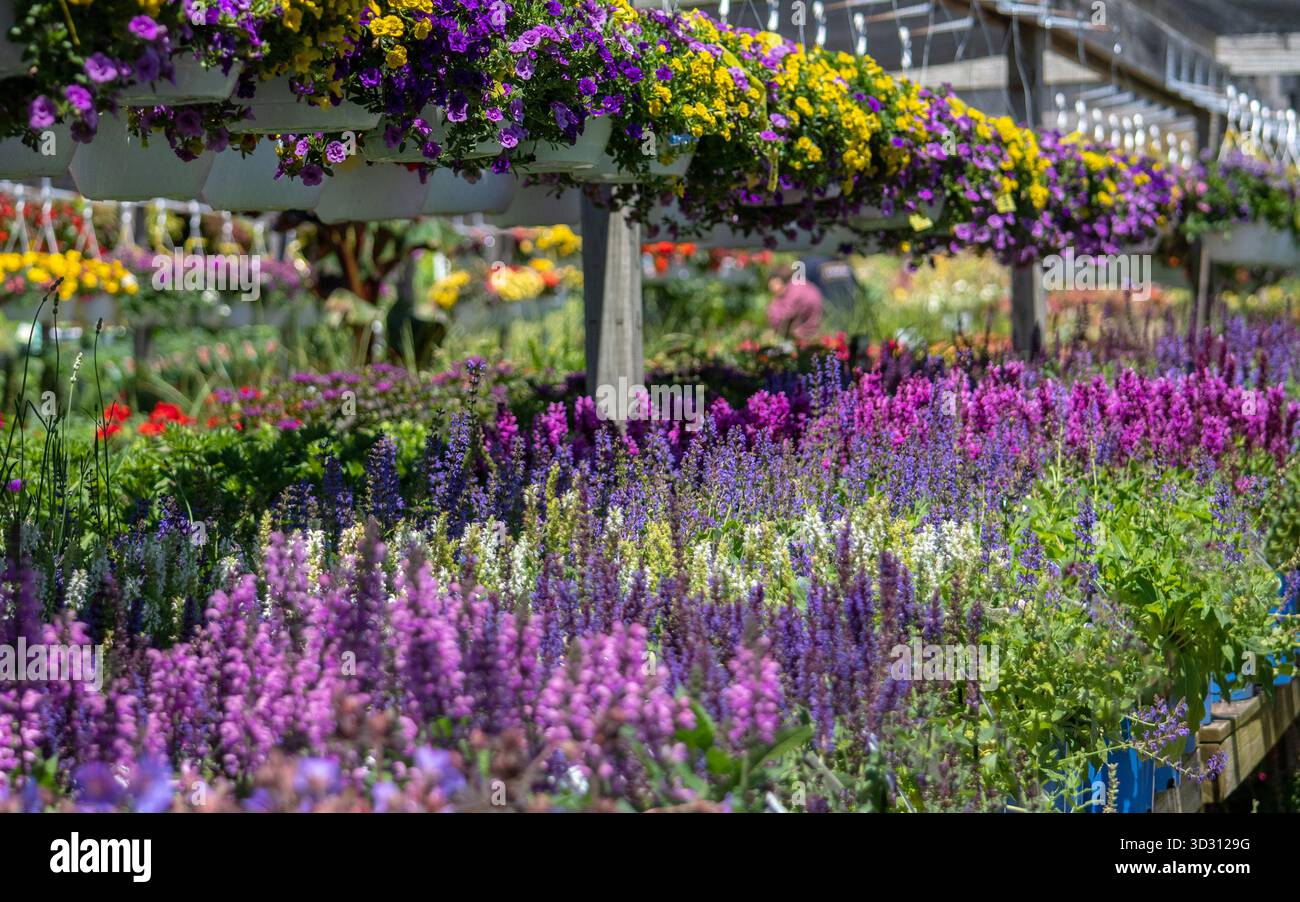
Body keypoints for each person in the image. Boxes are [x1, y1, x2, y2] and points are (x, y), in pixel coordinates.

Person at [766, 262, 824, 341]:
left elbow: (780, 317)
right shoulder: (801, 284)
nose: (771, 288)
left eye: (773, 284)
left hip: (802, 332)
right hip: (812, 329)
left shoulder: (793, 291)